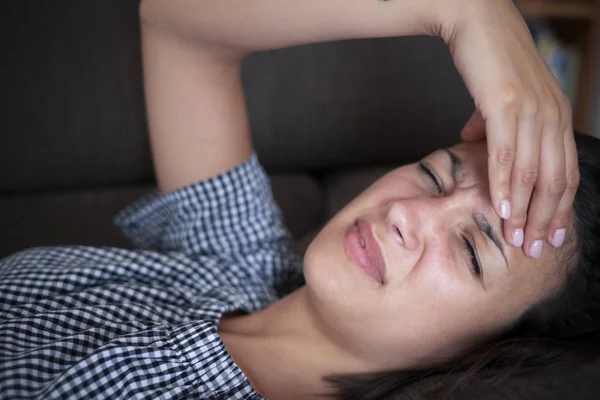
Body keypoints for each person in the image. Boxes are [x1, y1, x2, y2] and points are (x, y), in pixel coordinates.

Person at [1, 0, 597, 399]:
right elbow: (176, 23)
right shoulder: (237, 260)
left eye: (471, 251)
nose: (404, 214)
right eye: (434, 176)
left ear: (498, 356)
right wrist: (467, 11)